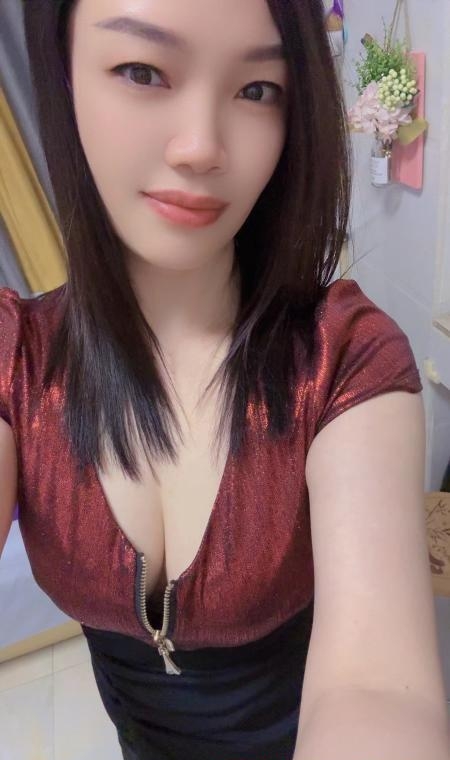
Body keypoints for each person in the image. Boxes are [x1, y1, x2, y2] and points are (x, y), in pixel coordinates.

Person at [0, 1, 448, 759]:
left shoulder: (344, 360)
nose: (203, 147)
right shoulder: (16, 358)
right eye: (142, 71)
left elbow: (373, 687)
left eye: (257, 90)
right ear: (63, 73)